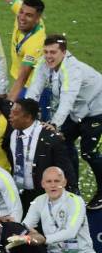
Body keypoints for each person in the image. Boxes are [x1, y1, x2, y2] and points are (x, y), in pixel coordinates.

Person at [26, 35, 102, 209]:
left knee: (89, 152)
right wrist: (27, 112)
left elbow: (67, 98)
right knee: (61, 142)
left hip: (97, 111)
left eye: (53, 52)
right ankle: (73, 188)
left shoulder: (72, 69)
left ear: (64, 52)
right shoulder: (44, 63)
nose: (48, 56)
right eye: (46, 52)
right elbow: (34, 88)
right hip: (78, 111)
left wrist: (54, 124)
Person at [6, 98, 77, 213]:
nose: (10, 116)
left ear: (28, 117)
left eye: (15, 113)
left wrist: (72, 195)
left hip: (43, 195)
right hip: (18, 194)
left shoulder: (50, 137)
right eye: (11, 112)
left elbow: (66, 169)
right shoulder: (13, 133)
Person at [3, 0, 46, 101]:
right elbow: (12, 0)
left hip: (30, 87)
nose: (22, 18)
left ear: (37, 18)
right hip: (19, 79)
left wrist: (8, 104)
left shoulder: (36, 43)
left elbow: (22, 79)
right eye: (21, 12)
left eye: (28, 15)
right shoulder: (24, 12)